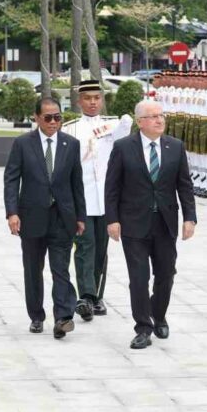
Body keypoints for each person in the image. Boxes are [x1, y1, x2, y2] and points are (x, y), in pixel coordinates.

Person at [104, 99, 198, 350]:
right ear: (140, 122)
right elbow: (111, 187)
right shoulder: (124, 147)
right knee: (138, 277)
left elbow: (184, 185)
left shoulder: (175, 147)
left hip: (165, 222)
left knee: (166, 274)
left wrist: (190, 217)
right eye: (153, 116)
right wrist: (111, 219)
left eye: (161, 115)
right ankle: (143, 327)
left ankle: (159, 315)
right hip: (133, 223)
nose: (159, 120)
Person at [4, 97, 87, 339]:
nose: (53, 122)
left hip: (62, 217)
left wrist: (80, 216)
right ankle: (36, 316)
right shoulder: (22, 144)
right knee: (33, 269)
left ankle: (63, 317)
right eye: (48, 117)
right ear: (37, 118)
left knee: (60, 268)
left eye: (58, 117)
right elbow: (11, 180)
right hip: (31, 217)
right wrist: (12, 212)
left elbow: (76, 183)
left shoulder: (71, 144)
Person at [63, 80, 133, 321]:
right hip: (81, 198)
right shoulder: (70, 128)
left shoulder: (113, 124)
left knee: (101, 249)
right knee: (85, 246)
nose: (92, 102)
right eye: (87, 98)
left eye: (96, 98)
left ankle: (96, 295)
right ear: (79, 101)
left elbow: (124, 141)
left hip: (106, 198)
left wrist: (126, 123)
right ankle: (86, 296)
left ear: (102, 100)